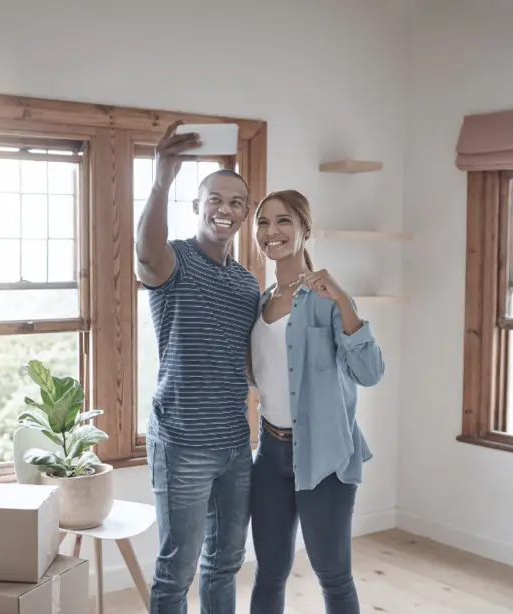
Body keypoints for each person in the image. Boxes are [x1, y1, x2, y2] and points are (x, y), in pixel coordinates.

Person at [136, 120, 261, 614]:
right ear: (197, 206)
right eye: (214, 199)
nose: (224, 210)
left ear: (246, 213)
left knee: (226, 562)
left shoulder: (249, 284)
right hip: (182, 443)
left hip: (235, 446)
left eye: (235, 203)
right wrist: (161, 180)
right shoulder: (174, 262)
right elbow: (145, 251)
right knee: (175, 573)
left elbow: (251, 366)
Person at [248, 189, 384, 614]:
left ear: (305, 229)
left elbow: (370, 373)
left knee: (333, 576)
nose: (272, 231)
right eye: (264, 222)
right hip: (269, 455)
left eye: (284, 221)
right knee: (268, 573)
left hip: (324, 457)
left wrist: (343, 299)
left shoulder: (327, 301)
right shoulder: (261, 300)